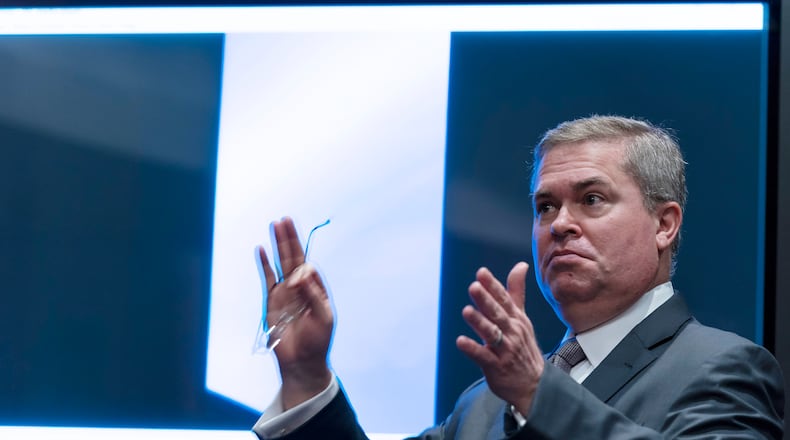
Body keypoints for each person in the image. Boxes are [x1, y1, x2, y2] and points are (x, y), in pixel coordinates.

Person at [252, 115, 785, 439]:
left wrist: (537, 393)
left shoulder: (723, 370)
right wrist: (305, 377)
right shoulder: (483, 402)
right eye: (546, 207)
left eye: (592, 200)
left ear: (664, 224)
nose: (561, 225)